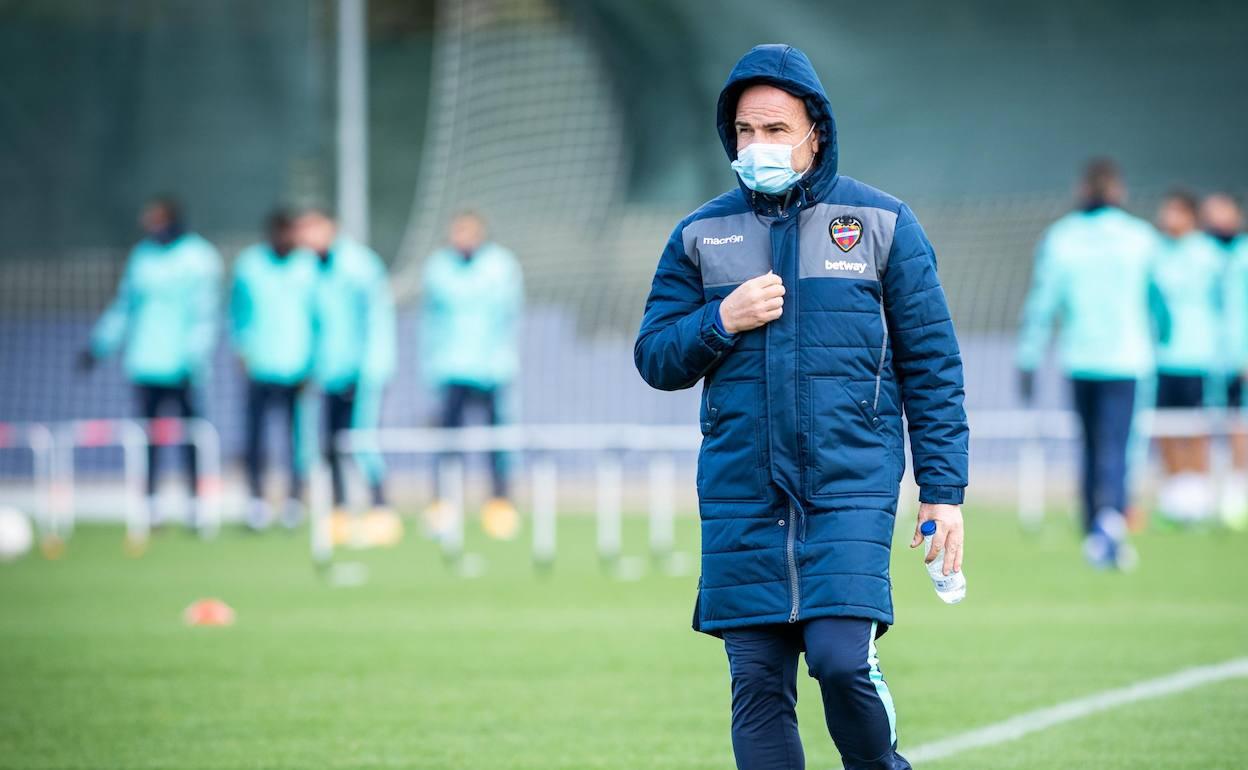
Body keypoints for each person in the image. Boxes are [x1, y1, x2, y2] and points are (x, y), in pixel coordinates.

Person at [634, 45, 968, 770]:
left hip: (847, 487)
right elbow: (655, 356)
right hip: (741, 493)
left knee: (842, 661)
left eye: (776, 130)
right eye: (746, 132)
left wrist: (943, 492)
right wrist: (721, 318)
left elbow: (932, 364)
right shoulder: (699, 234)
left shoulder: (881, 223)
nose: (758, 146)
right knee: (756, 682)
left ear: (815, 129)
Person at [1017, 159, 1160, 567]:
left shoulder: (1062, 238)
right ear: (1119, 191)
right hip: (1128, 359)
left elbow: (1043, 301)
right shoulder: (1139, 237)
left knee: (1092, 444)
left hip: (1080, 359)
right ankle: (1109, 524)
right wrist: (1163, 337)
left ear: (1083, 190)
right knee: (1119, 445)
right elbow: (1158, 298)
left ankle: (1093, 525)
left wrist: (1028, 354)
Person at [79, 196, 222, 530]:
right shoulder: (141, 257)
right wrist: (99, 345)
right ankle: (151, 504)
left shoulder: (200, 258)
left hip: (185, 367)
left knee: (191, 437)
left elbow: (205, 314)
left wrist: (194, 356)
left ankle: (196, 505)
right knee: (148, 438)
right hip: (146, 363)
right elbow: (124, 306)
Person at [295, 209, 398, 545]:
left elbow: (377, 320)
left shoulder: (360, 266)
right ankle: (338, 510)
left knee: (362, 441)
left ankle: (382, 509)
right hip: (327, 372)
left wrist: (372, 367)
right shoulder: (307, 269)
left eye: (314, 228)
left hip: (363, 371)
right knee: (328, 444)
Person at [420, 211, 524, 540]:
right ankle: (444, 503)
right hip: (450, 367)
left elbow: (510, 315)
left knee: (496, 441)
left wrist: (503, 359)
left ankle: (499, 503)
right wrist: (430, 364)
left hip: (492, 367)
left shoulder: (501, 265)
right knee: (448, 441)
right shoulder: (437, 268)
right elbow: (431, 321)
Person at [230, 209, 319, 530]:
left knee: (298, 438)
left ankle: (295, 498)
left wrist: (313, 359)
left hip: (297, 366)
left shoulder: (308, 267)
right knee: (255, 436)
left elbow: (317, 318)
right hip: (260, 366)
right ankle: (256, 500)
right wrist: (242, 348)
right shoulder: (249, 265)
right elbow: (237, 312)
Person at [1149, 191, 1222, 524]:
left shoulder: (1209, 255)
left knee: (1196, 429)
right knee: (1164, 428)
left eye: (1175, 212)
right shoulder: (1155, 252)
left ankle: (1200, 498)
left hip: (1198, 356)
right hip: (1162, 358)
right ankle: (1175, 498)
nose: (1168, 218)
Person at [1201, 192, 1248, 529]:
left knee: (1240, 425)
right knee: (1198, 423)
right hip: (1204, 357)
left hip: (1239, 356)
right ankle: (1194, 496)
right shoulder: (1200, 254)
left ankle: (1238, 491)